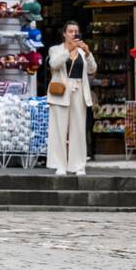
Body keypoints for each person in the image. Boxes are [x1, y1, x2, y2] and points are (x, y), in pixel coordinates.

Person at [46, 21, 96, 177]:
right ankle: (59, 165)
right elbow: (54, 64)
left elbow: (92, 69)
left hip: (79, 91)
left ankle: (78, 166)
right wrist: (69, 50)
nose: (74, 34)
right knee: (59, 129)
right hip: (61, 92)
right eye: (70, 31)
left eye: (76, 31)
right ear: (64, 33)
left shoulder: (82, 51)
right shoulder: (55, 49)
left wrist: (88, 53)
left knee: (79, 130)